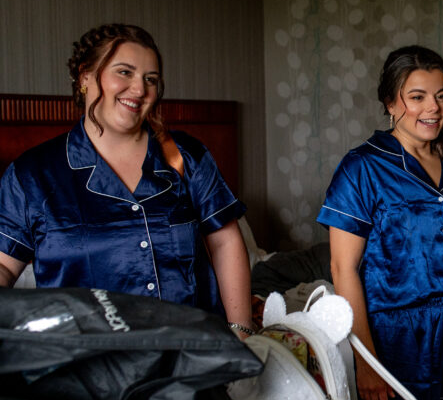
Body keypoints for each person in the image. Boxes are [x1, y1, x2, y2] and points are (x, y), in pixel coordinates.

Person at [0, 23, 254, 334]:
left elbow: (225, 241)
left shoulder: (186, 156)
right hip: (84, 366)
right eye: (124, 72)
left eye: (151, 79)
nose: (139, 89)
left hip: (190, 357)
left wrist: (241, 332)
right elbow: (3, 266)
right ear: (85, 76)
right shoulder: (32, 174)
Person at [317, 45, 443, 400]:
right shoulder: (362, 168)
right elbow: (343, 269)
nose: (433, 108)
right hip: (396, 334)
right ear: (391, 102)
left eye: (441, 95)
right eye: (417, 96)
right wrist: (367, 361)